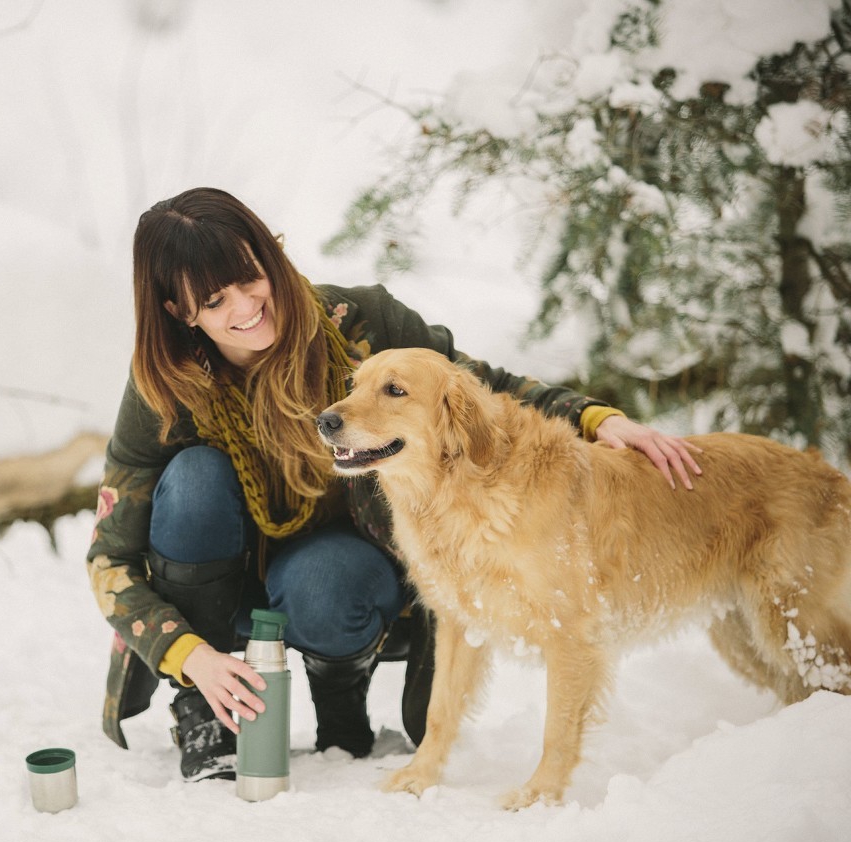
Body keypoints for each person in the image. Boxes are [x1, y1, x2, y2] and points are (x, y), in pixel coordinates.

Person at [86, 187, 701, 781]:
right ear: (178, 311)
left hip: (349, 572)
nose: (246, 308)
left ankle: (341, 702)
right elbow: (110, 556)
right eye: (216, 302)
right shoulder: (164, 389)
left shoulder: (358, 322)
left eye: (251, 278)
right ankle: (206, 715)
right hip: (220, 595)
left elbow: (480, 389)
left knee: (327, 576)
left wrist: (601, 418)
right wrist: (187, 654)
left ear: (269, 257)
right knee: (194, 479)